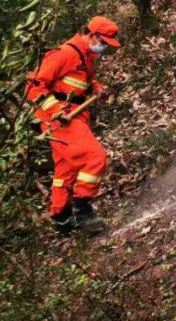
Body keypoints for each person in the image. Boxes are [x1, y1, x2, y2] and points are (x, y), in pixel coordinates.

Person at [26, 16, 120, 236]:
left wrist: (95, 87)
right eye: (103, 42)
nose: (104, 48)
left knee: (65, 170)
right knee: (95, 157)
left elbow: (82, 82)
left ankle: (61, 219)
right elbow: (33, 86)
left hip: (74, 116)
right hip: (58, 119)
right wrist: (55, 110)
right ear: (92, 35)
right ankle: (83, 210)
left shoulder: (86, 55)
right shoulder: (65, 54)